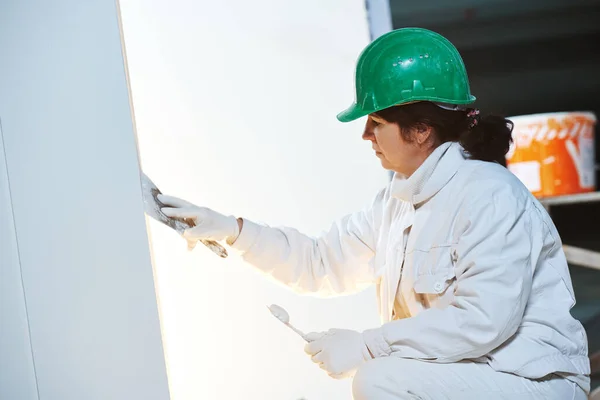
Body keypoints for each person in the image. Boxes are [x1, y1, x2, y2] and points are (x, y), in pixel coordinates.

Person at [158, 27, 590, 399]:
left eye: (376, 121)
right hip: (478, 378)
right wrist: (232, 231)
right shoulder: (396, 205)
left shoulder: (490, 195)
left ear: (421, 129)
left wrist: (369, 346)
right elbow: (319, 262)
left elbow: (482, 321)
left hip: (534, 382)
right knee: (384, 378)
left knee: (382, 380)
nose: (365, 134)